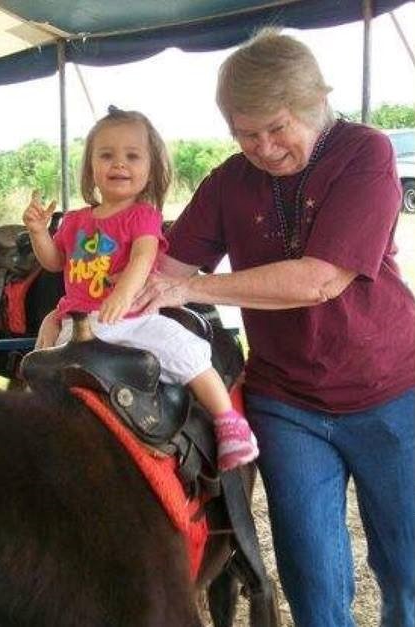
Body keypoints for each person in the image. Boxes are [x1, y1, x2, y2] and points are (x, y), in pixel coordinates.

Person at [133, 29, 415, 627]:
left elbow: (320, 280)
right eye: (245, 133)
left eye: (277, 127)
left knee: (408, 569)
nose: (263, 147)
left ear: (316, 102)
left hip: (392, 389)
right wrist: (92, 293)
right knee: (312, 580)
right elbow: (165, 270)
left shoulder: (364, 153)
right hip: (288, 402)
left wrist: (193, 290)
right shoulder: (228, 182)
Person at [22, 107, 258, 471]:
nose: (119, 163)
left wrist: (123, 295)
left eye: (132, 156)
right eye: (106, 155)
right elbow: (54, 261)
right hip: (81, 325)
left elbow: (143, 258)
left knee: (189, 352)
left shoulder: (142, 216)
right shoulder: (75, 220)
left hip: (134, 319)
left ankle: (228, 422)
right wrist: (39, 232)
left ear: (150, 168)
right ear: (90, 167)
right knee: (45, 376)